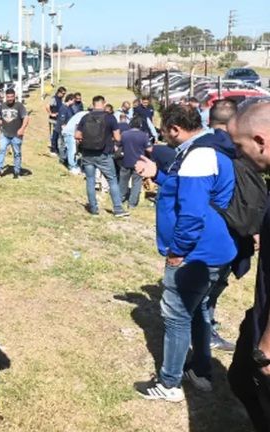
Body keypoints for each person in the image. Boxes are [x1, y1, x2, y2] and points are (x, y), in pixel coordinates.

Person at [134, 104, 236, 402]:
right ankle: (201, 371)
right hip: (216, 248)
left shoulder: (198, 157)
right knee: (200, 311)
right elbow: (191, 191)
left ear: (175, 129)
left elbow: (191, 213)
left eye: (164, 131)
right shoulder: (209, 149)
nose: (163, 136)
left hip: (196, 252)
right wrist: (159, 175)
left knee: (177, 316)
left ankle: (169, 383)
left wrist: (177, 252)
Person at [227, 103, 270, 431]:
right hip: (259, 312)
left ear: (261, 141)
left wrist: (268, 345)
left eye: (240, 146)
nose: (238, 155)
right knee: (240, 380)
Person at [206, 99, 242, 352]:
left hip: (211, 230)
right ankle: (206, 329)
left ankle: (206, 325)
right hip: (236, 231)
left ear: (209, 120)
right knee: (213, 286)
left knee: (208, 286)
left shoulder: (201, 148)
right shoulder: (244, 150)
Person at [75, 95, 129, 217]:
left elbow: (77, 135)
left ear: (93, 104)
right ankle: (118, 209)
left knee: (90, 180)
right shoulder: (110, 118)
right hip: (104, 154)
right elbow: (117, 138)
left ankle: (93, 208)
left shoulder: (85, 117)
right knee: (112, 180)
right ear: (104, 103)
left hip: (87, 153)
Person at [0, 88, 29, 179]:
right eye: (8, 97)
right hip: (5, 134)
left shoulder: (19, 106)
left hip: (16, 135)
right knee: (1, 150)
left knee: (17, 153)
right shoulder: (2, 106)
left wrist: (22, 128)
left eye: (11, 97)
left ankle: (17, 171)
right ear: (5, 97)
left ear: (14, 96)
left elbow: (26, 118)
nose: (10, 99)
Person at [118, 116, 151, 208]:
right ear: (140, 125)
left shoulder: (124, 134)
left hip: (126, 160)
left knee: (123, 181)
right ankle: (132, 203)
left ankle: (120, 198)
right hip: (139, 163)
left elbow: (118, 146)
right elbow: (149, 149)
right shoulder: (144, 135)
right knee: (136, 183)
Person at [61, 105, 88, 176]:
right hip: (70, 132)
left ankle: (70, 163)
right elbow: (77, 126)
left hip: (69, 131)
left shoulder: (83, 113)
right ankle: (72, 167)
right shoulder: (85, 116)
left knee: (70, 150)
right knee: (72, 150)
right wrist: (78, 138)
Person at [46, 86, 66, 156]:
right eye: (63, 93)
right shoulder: (54, 99)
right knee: (54, 135)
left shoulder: (60, 99)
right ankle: (53, 149)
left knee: (57, 135)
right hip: (53, 120)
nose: (64, 95)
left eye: (64, 94)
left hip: (58, 119)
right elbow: (47, 106)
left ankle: (56, 148)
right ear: (59, 92)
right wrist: (51, 113)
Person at [56, 93, 76, 162]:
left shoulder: (69, 108)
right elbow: (62, 120)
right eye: (73, 101)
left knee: (66, 145)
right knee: (62, 144)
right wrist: (63, 129)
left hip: (68, 129)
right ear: (70, 100)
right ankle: (62, 158)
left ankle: (66, 157)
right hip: (63, 130)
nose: (74, 102)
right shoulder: (64, 108)